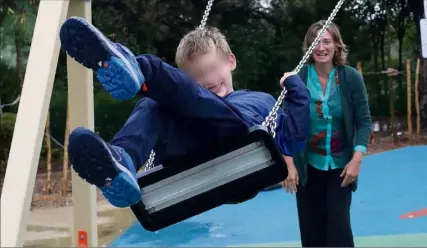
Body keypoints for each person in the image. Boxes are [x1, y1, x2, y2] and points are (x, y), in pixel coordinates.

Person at [60, 17, 310, 209]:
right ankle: (122, 162)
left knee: (195, 101)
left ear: (231, 61)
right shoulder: (188, 103)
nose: (209, 80)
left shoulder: (260, 101)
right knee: (152, 106)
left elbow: (294, 140)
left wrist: (296, 89)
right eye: (196, 77)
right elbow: (187, 99)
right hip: (190, 152)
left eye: (213, 69)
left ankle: (141, 71)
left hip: (238, 137)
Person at [281, 20, 372, 247]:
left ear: (336, 45)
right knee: (312, 232)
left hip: (341, 168)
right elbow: (284, 124)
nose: (320, 47)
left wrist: (357, 159)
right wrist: (288, 165)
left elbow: (363, 121)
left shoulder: (350, 78)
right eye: (315, 42)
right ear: (308, 47)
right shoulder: (299, 78)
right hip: (307, 167)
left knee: (339, 228)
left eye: (326, 41)